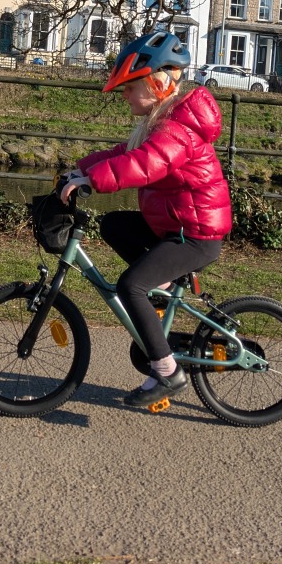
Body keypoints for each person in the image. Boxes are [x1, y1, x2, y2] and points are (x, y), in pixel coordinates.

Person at [59, 30, 232, 407]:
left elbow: (145, 164)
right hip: (174, 224)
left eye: (128, 87)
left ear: (155, 84)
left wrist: (93, 179)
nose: (124, 96)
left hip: (196, 234)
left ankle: (168, 373)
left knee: (131, 285)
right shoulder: (159, 122)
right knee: (113, 225)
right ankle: (164, 287)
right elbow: (126, 152)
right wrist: (81, 168)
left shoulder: (175, 131)